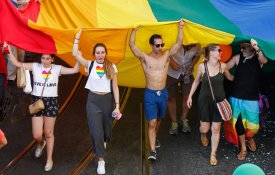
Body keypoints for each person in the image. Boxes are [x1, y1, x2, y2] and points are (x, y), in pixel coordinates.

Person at [5, 42, 80, 171]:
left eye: (47, 58)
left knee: (49, 132)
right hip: (37, 101)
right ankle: (41, 143)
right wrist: (9, 51)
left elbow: (75, 70)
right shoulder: (35, 66)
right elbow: (18, 64)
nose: (45, 61)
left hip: (51, 102)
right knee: (37, 134)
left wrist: (78, 57)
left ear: (52, 59)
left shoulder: (57, 69)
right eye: (43, 58)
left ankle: (49, 159)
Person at [129, 20, 184, 160]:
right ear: (151, 45)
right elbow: (132, 45)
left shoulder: (166, 55)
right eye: (157, 45)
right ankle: (152, 150)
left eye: (162, 45)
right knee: (152, 122)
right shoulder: (144, 58)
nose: (160, 47)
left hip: (163, 93)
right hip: (150, 94)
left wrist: (181, 27)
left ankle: (154, 137)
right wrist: (134, 31)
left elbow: (178, 43)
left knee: (158, 119)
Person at [72, 30, 121, 175]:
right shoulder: (90, 65)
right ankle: (101, 160)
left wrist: (117, 106)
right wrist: (77, 36)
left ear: (106, 53)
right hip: (92, 101)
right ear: (94, 54)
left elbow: (115, 86)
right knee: (96, 131)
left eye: (102, 52)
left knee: (106, 131)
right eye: (98, 52)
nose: (100, 55)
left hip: (107, 101)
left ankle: (103, 141)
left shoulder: (111, 67)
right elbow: (75, 53)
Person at [187, 44, 233, 165]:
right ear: (212, 53)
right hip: (204, 101)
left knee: (216, 129)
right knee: (205, 128)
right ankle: (203, 134)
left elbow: (230, 78)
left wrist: (244, 77)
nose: (221, 52)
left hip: (219, 102)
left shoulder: (223, 66)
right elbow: (196, 81)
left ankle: (213, 154)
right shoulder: (202, 67)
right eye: (219, 50)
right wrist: (190, 96)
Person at [226, 39, 268, 160]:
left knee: (253, 126)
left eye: (243, 47)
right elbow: (224, 66)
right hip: (236, 96)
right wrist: (229, 76)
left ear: (251, 47)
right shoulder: (237, 57)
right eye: (241, 47)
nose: (241, 50)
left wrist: (257, 48)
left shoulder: (258, 59)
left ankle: (249, 138)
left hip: (251, 98)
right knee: (239, 123)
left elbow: (264, 60)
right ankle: (243, 148)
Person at [167, 44, 201, 135]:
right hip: (171, 73)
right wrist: (171, 63)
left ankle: (183, 119)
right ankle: (174, 122)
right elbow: (165, 51)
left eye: (191, 47)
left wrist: (192, 65)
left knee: (187, 96)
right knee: (171, 98)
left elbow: (198, 55)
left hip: (187, 73)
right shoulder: (175, 40)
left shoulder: (197, 44)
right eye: (188, 46)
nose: (190, 48)